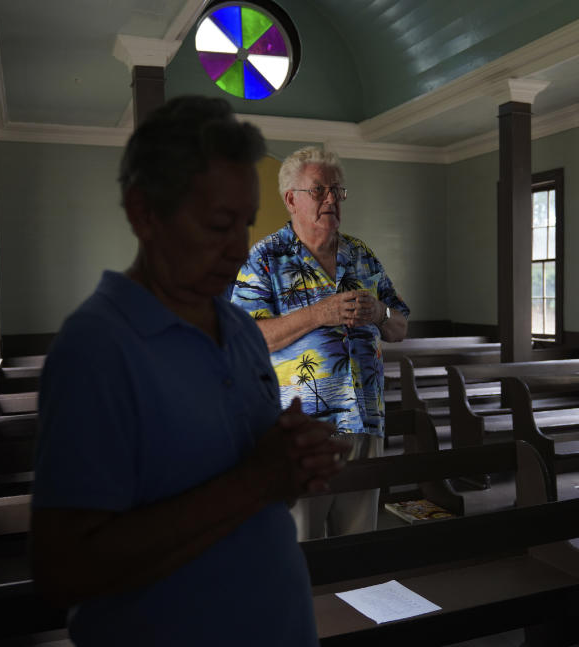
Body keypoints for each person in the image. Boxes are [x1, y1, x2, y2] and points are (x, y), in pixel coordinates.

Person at [29, 97, 348, 647]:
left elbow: (262, 493)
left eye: (245, 225)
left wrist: (291, 463)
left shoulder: (242, 332)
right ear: (144, 211)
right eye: (219, 224)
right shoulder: (98, 349)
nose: (238, 249)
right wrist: (257, 481)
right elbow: (65, 570)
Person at [231, 146, 410, 540]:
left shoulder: (361, 255)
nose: (331, 199)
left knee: (360, 550)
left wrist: (379, 313)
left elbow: (400, 327)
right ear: (290, 199)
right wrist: (319, 314)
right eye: (319, 190)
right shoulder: (263, 260)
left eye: (337, 191)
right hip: (301, 434)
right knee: (302, 551)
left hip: (365, 425)